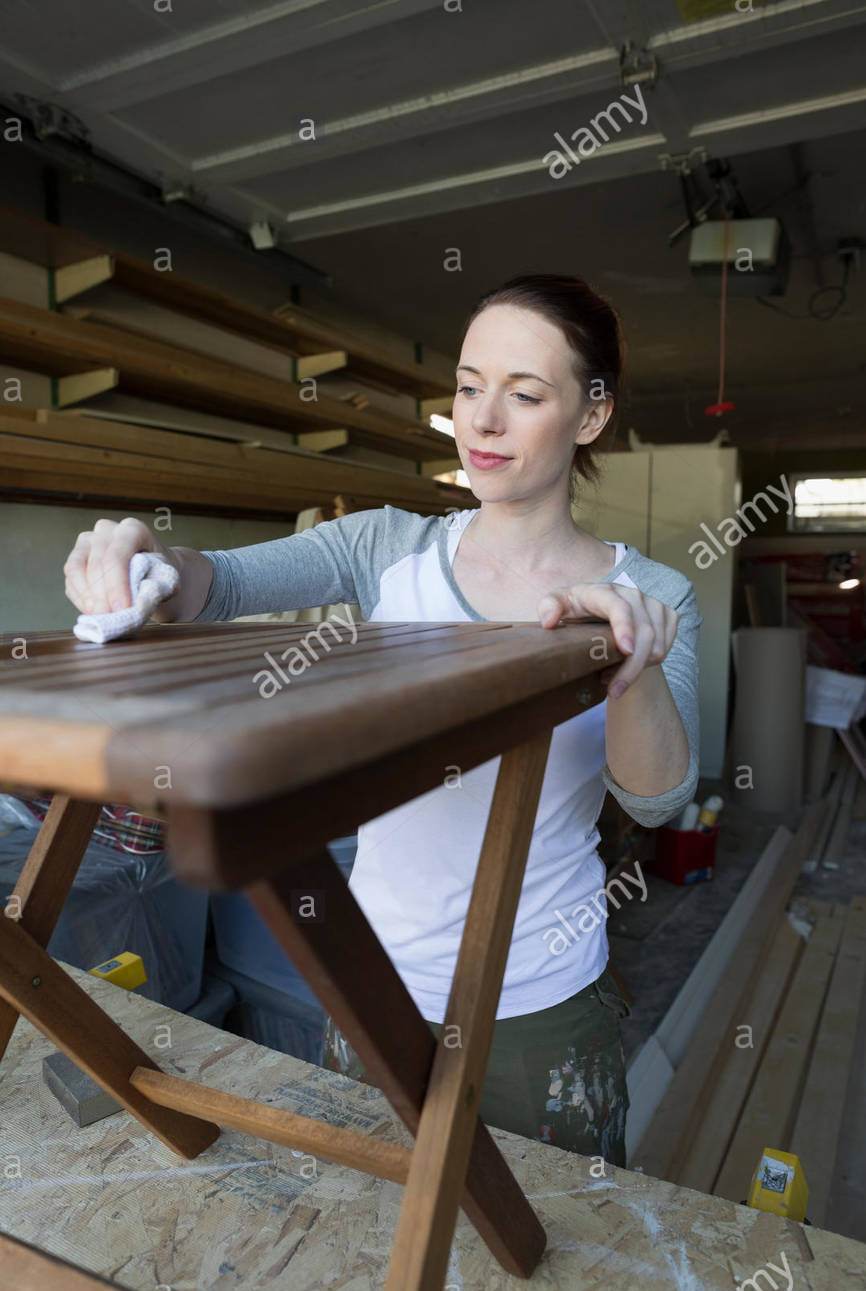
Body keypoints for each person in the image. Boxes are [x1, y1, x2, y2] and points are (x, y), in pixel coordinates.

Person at [62, 273, 701, 1168]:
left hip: (541, 1004)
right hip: (370, 989)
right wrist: (145, 560)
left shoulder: (654, 593)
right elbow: (220, 584)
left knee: (549, 1259)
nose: (481, 421)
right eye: (470, 387)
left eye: (523, 395)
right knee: (377, 1236)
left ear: (591, 416)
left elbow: (660, 800)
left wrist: (633, 662)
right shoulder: (387, 548)